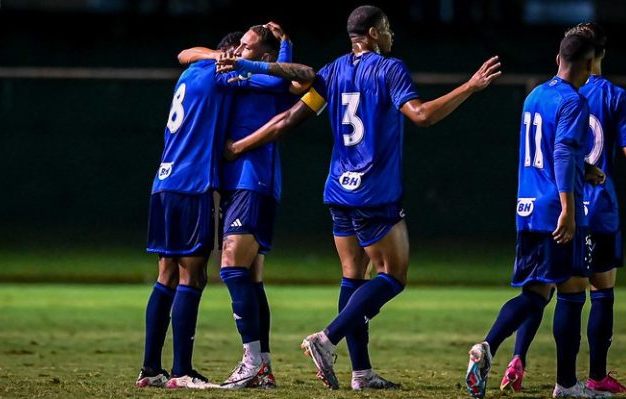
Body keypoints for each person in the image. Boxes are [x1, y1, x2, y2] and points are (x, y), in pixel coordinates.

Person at [221, 5, 500, 390]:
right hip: (374, 192)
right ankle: (327, 338)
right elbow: (421, 116)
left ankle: (362, 372)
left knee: (354, 276)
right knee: (393, 276)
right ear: (370, 33)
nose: (390, 35)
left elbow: (288, 120)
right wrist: (470, 87)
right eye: (386, 29)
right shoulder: (389, 69)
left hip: (339, 190)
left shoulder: (333, 71)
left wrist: (239, 147)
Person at [501, 22, 626, 394]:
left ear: (562, 56)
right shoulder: (609, 96)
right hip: (589, 210)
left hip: (541, 206)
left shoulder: (543, 93)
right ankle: (588, 378)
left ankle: (518, 356)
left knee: (542, 288)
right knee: (594, 292)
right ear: (596, 58)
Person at [464, 33, 611, 399]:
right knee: (573, 292)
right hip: (554, 210)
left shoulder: (535, 95)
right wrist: (568, 208)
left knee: (535, 292)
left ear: (558, 56)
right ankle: (566, 385)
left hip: (527, 208)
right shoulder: (573, 101)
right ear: (589, 64)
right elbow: (560, 153)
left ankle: (487, 348)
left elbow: (548, 152)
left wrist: (585, 167)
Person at [179, 22, 310, 389]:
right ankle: (263, 366)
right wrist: (224, 57)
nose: (238, 52)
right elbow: (185, 54)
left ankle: (251, 361)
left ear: (265, 56)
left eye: (247, 47)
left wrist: (284, 45)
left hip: (254, 180)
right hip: (237, 183)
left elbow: (290, 79)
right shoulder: (237, 74)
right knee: (251, 277)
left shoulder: (264, 77)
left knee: (231, 267)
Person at [134, 31, 241, 390]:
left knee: (166, 274)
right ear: (234, 50)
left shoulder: (193, 70)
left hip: (163, 182)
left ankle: (150, 370)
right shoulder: (226, 72)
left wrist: (215, 54)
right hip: (193, 183)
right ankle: (181, 372)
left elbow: (183, 52)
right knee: (192, 277)